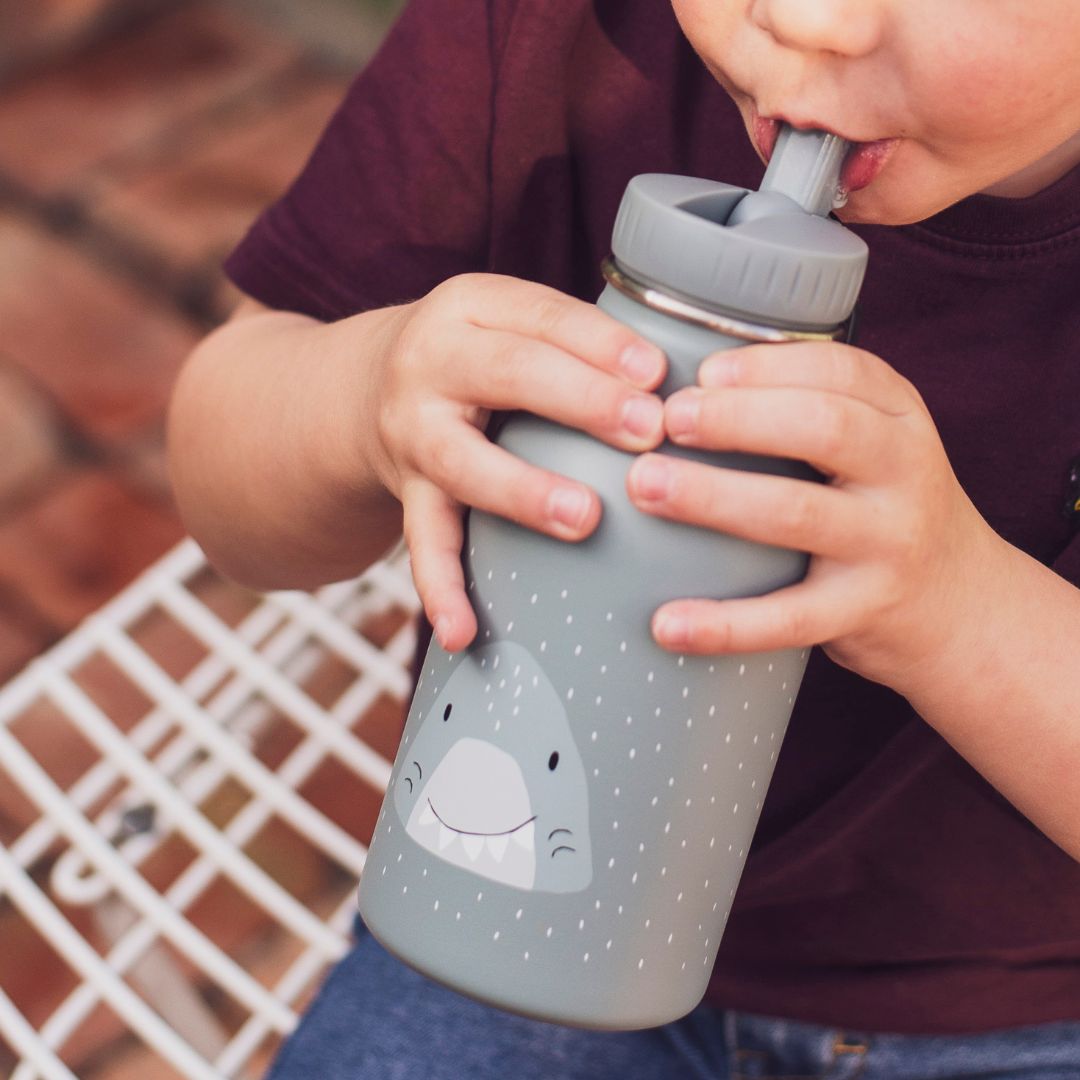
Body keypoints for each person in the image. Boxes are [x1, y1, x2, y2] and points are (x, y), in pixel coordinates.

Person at [167, 0, 1080, 1075]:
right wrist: (363, 397)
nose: (808, 19)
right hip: (506, 908)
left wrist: (955, 604)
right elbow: (224, 496)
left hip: (1017, 1014)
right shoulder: (547, 35)